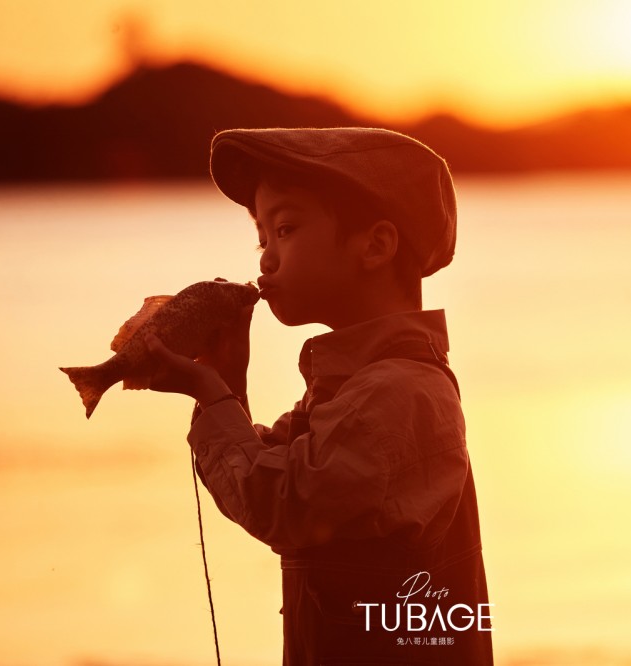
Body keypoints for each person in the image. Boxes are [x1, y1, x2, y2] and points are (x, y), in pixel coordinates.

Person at [145, 127, 493, 665]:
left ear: (375, 246)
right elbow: (265, 475)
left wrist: (214, 399)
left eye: (285, 229)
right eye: (262, 239)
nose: (266, 260)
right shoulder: (350, 389)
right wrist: (229, 388)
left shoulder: (400, 393)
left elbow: (283, 505)